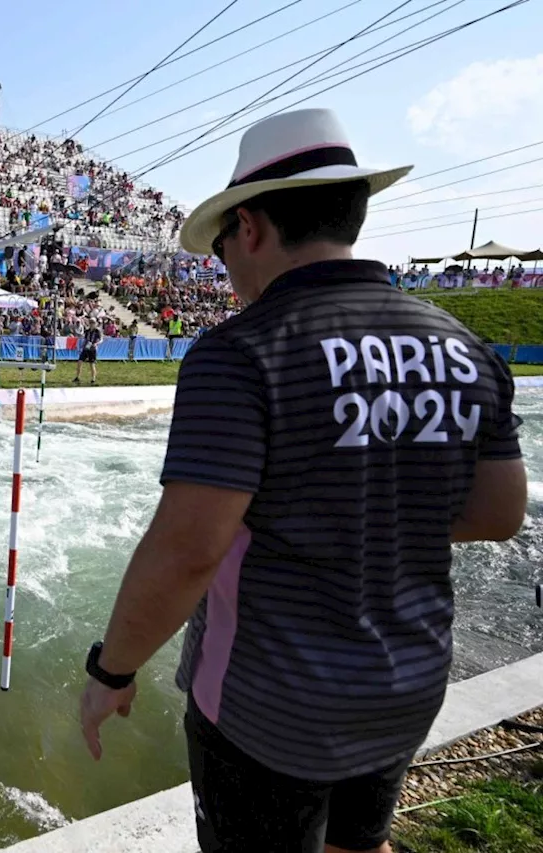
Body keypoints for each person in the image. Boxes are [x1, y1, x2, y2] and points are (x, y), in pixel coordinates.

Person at [77, 109, 527, 853]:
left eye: (221, 243)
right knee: (361, 842)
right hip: (407, 680)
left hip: (270, 706)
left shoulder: (241, 353)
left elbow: (189, 550)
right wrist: (366, 497)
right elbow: (501, 511)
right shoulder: (464, 345)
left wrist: (111, 670)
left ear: (249, 227)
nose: (222, 265)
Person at [74, 318, 101, 385]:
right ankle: (77, 377)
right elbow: (85, 339)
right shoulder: (87, 331)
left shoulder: (97, 331)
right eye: (90, 323)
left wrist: (96, 343)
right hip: (86, 348)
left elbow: (101, 339)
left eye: (93, 323)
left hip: (92, 349)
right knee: (79, 362)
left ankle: (93, 379)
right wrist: (82, 346)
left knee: (92, 364)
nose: (91, 324)